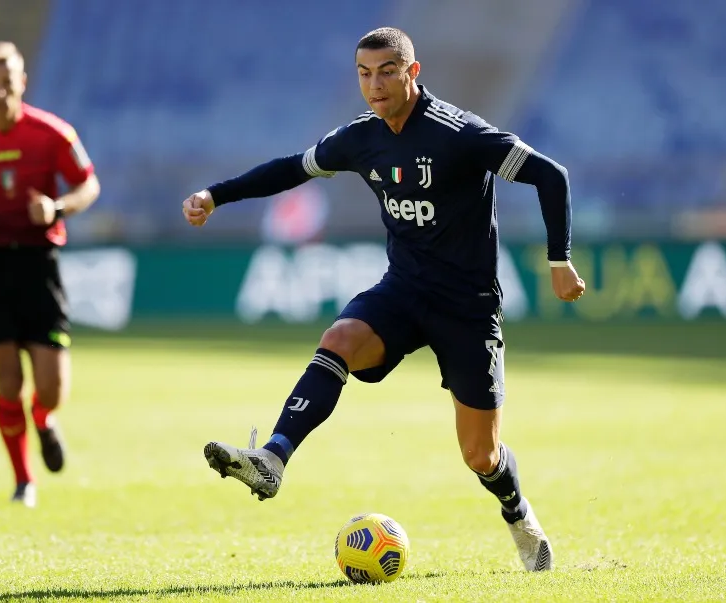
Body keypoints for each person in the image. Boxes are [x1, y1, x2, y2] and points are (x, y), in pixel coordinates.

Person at [182, 27, 584, 571]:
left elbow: (549, 176)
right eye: (364, 74)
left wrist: (558, 261)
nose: (374, 84)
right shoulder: (360, 137)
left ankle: (520, 518)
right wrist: (216, 194)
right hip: (404, 290)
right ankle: (273, 458)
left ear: (412, 73)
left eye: (387, 71)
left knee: (479, 454)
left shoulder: (460, 133)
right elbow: (291, 168)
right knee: (339, 339)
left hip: (468, 307)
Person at [0, 41, 101, 508]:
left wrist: (57, 207)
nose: (1, 90)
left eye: (8, 81)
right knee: (7, 382)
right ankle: (23, 480)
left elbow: (88, 184)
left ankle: (44, 419)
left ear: (22, 81)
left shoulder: (52, 134)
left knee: (49, 388)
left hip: (37, 263)